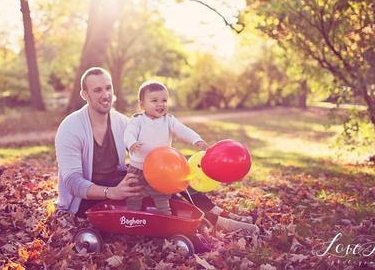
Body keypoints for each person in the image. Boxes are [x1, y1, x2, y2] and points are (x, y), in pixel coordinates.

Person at [55, 67, 258, 232]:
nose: (106, 94)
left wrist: (168, 164)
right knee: (160, 192)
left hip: (119, 180)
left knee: (173, 177)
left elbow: (150, 141)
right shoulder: (71, 128)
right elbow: (73, 182)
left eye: (108, 88)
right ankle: (217, 222)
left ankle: (216, 211)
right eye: (97, 90)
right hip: (87, 199)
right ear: (84, 94)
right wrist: (112, 193)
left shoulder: (121, 122)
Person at [124, 80, 208, 215]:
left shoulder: (168, 120)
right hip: (137, 169)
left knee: (161, 196)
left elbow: (183, 130)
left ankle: (165, 217)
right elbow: (129, 133)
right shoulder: (137, 120)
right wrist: (132, 143)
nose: (160, 104)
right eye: (154, 100)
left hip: (161, 169)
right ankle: (132, 218)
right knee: (133, 195)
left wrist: (196, 139)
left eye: (164, 100)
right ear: (142, 104)